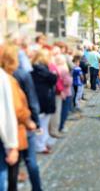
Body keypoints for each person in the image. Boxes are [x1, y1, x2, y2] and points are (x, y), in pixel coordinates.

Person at [0, 43, 37, 191]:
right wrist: (30, 121)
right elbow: (14, 109)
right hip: (13, 131)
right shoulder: (7, 79)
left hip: (12, 131)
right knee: (9, 175)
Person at [31, 49, 58, 154]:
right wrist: (54, 73)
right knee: (41, 124)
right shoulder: (40, 69)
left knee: (43, 124)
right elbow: (53, 78)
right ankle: (40, 146)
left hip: (42, 99)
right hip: (42, 100)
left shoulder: (37, 68)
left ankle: (42, 144)